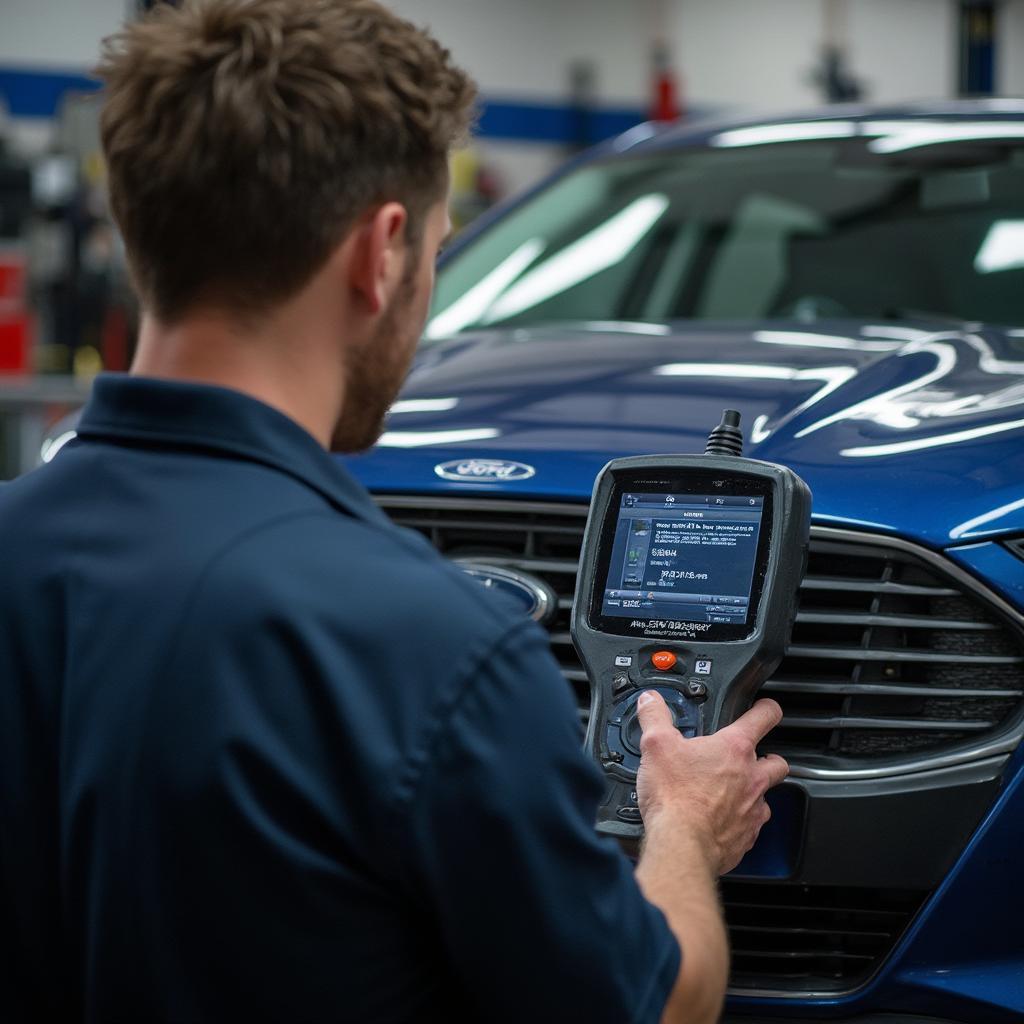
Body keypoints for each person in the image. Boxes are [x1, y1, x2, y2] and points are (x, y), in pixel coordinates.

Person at [0, 2, 788, 1021]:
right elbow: (659, 1004)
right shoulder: (434, 649)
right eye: (433, 253)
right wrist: (683, 824)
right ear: (381, 254)